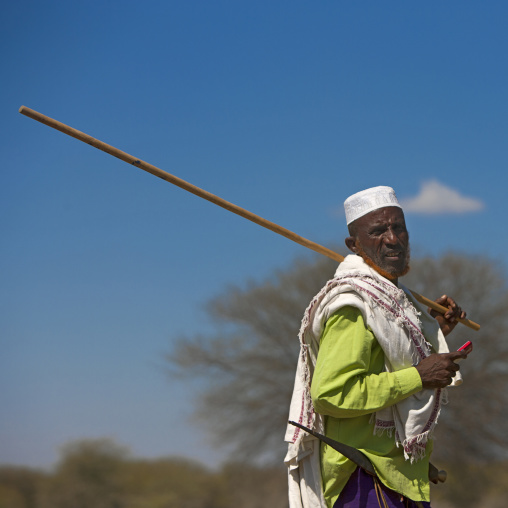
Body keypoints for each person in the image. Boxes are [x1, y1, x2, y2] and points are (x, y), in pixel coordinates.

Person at [284, 186, 468, 508]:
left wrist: (433, 330)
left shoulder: (396, 301)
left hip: (398, 476)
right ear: (354, 245)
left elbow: (385, 354)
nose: (392, 238)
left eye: (398, 227)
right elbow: (331, 392)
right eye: (378, 231)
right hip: (364, 477)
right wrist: (419, 376)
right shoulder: (352, 305)